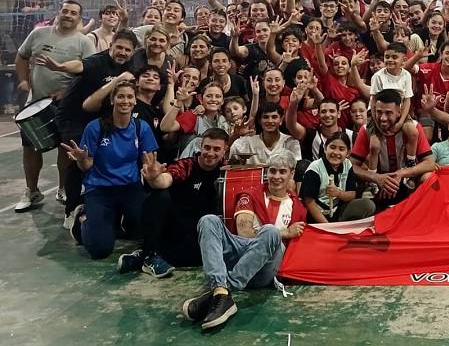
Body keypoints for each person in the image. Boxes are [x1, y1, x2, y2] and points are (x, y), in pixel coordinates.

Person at [181, 151, 307, 330]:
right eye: (272, 171)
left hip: (265, 268)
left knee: (270, 232)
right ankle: (221, 290)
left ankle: (223, 290)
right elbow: (244, 232)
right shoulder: (250, 195)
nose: (276, 176)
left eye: (282, 171)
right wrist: (285, 232)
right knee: (208, 220)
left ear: (291, 173)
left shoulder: (298, 208)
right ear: (267, 172)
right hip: (241, 253)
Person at [61, 81, 159, 259]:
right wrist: (81, 159)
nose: (125, 101)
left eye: (129, 97)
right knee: (100, 250)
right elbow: (86, 166)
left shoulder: (141, 127)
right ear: (113, 100)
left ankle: (115, 221)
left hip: (130, 188)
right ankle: (82, 221)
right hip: (100, 189)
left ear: (135, 100)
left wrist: (152, 171)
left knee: (145, 232)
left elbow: (148, 161)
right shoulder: (95, 128)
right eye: (120, 96)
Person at [14, 0, 96, 212]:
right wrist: (23, 80)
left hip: (67, 106)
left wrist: (66, 92)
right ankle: (32, 190)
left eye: (73, 13)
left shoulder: (84, 42)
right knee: (30, 148)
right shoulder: (38, 34)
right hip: (36, 103)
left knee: (65, 149)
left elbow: (89, 74)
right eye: (65, 11)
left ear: (79, 18)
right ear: (59, 12)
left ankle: (63, 188)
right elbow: (21, 57)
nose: (68, 15)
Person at [51, 30, 139, 223]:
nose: (122, 52)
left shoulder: (129, 64)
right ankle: (70, 210)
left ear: (132, 52)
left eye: (127, 50)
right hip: (74, 117)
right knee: (79, 159)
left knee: (100, 157)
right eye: (119, 47)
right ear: (111, 46)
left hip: (98, 116)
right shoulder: (97, 62)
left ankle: (100, 202)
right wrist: (60, 67)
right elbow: (79, 65)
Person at [117, 128, 230, 278]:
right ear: (200, 146)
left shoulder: (227, 170)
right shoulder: (186, 165)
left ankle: (141, 257)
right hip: (174, 225)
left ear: (225, 150)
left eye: (216, 149)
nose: (210, 153)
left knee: (193, 260)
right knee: (159, 195)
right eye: (207, 147)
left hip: (201, 231)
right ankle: (150, 253)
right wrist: (153, 178)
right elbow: (165, 180)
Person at [350, 90, 436, 208]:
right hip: (378, 183)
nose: (383, 118)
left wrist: (401, 173)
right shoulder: (366, 130)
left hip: (407, 180)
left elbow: (430, 163)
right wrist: (376, 178)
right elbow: (351, 166)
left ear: (399, 112)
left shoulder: (414, 127)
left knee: (429, 177)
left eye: (388, 113)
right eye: (379, 112)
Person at [365, 43, 420, 171]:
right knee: (374, 146)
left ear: (404, 60)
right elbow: (373, 101)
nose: (390, 60)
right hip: (377, 112)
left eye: (394, 57)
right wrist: (378, 126)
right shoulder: (378, 76)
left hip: (397, 112)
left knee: (413, 133)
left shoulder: (406, 75)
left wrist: (400, 123)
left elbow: (407, 100)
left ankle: (410, 163)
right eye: (387, 57)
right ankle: (372, 175)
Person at [301, 132, 375, 223]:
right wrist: (328, 226)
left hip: (338, 210)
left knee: (368, 205)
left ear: (348, 153)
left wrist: (338, 193)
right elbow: (309, 202)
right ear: (325, 148)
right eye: (332, 147)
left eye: (341, 149)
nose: (336, 152)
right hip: (318, 215)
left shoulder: (347, 164)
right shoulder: (314, 168)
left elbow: (352, 194)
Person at [229, 102, 302, 165]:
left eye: (274, 117)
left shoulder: (291, 142)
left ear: (281, 120)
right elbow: (228, 155)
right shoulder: (247, 142)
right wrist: (236, 135)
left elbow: (296, 169)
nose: (270, 121)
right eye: (265, 117)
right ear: (259, 121)